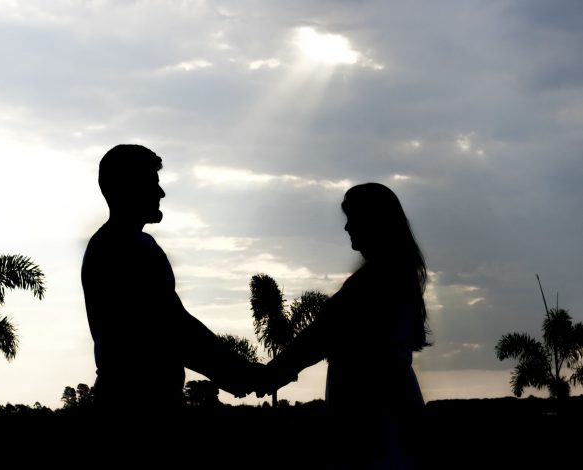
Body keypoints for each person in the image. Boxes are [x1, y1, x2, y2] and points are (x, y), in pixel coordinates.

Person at [81, 144, 256, 427]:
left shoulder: (123, 245)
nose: (160, 193)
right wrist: (235, 372)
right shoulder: (125, 248)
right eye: (152, 183)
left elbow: (174, 326)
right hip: (139, 408)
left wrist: (232, 372)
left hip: (137, 402)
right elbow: (173, 327)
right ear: (125, 188)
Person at [260, 182, 430, 469]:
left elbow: (321, 336)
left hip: (373, 414)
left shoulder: (375, 282)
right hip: (383, 409)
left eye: (352, 217)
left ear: (373, 221)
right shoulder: (395, 276)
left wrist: (269, 374)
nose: (347, 227)